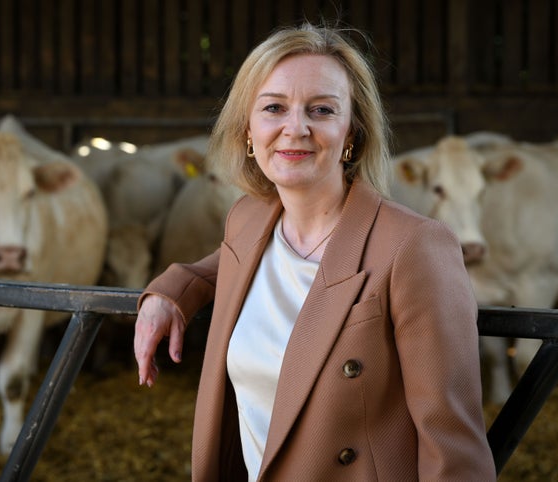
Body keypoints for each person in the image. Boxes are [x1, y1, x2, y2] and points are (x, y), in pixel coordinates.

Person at [134, 22, 496, 481]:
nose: (295, 128)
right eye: (274, 108)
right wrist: (170, 292)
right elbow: (225, 269)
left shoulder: (415, 246)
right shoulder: (248, 220)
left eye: (322, 110)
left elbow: (453, 448)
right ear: (248, 130)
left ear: (352, 133)